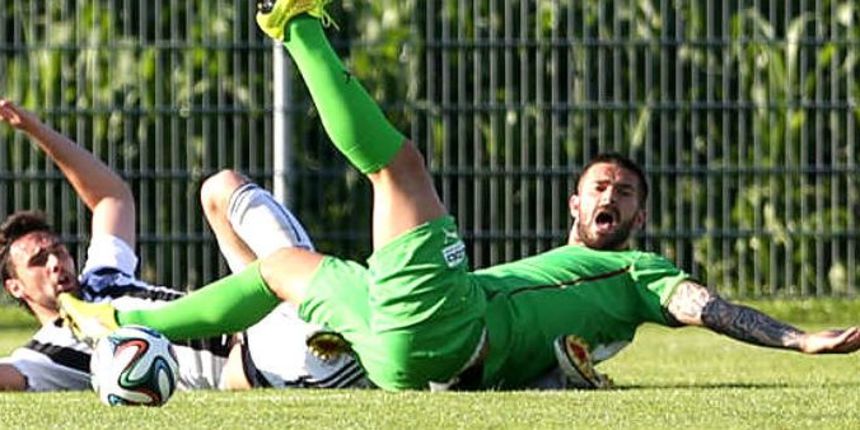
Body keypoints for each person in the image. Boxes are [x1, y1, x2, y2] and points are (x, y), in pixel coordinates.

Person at [59, 1, 860, 391]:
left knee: (398, 167)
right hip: (412, 348)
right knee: (286, 269)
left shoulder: (643, 273)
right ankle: (120, 320)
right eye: (597, 187)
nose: (610, 195)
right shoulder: (575, 280)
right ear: (573, 211)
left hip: (443, 331)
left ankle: (295, 23)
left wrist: (794, 339)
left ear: (640, 218)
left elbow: (700, 302)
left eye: (624, 192)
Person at [0, 99, 366, 391]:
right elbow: (8, 379)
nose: (54, 262)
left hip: (264, 324)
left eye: (57, 250)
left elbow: (112, 198)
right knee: (294, 280)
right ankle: (331, 329)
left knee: (219, 188)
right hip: (263, 362)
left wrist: (34, 128)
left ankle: (320, 314)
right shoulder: (47, 352)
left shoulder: (103, 276)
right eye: (37, 260)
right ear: (14, 286)